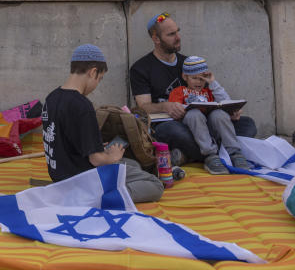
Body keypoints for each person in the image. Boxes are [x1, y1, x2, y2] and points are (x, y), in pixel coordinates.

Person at [129, 12, 257, 166]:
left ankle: (194, 155)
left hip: (205, 123)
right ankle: (218, 153)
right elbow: (143, 108)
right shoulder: (141, 68)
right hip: (175, 124)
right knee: (167, 131)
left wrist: (231, 109)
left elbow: (212, 96)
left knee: (247, 124)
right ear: (156, 39)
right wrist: (165, 106)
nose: (178, 37)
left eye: (178, 31)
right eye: (171, 34)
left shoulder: (189, 63)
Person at [42, 44, 164, 203]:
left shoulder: (51, 98)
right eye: (99, 79)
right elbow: (96, 160)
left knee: (133, 164)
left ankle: (105, 189)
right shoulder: (82, 106)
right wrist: (112, 157)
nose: (96, 85)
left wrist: (96, 145)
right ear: (93, 72)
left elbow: (66, 140)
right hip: (83, 180)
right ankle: (101, 198)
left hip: (59, 177)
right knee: (155, 185)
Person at [167, 55, 250, 174]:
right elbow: (175, 110)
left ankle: (234, 152)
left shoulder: (209, 91)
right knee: (194, 114)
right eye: (194, 78)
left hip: (212, 130)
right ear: (185, 77)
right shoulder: (178, 91)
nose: (199, 82)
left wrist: (212, 82)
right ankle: (210, 156)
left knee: (221, 114)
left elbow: (226, 102)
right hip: (192, 132)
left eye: (202, 79)